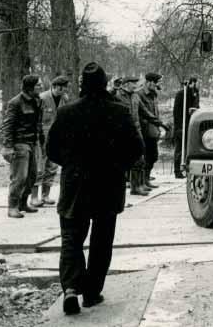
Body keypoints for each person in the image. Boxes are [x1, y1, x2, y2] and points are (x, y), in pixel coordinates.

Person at [46, 61, 143, 315]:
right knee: (102, 241)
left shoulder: (66, 112)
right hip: (108, 185)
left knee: (71, 238)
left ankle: (70, 289)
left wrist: (70, 165)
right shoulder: (119, 111)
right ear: (104, 84)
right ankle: (91, 292)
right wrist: (118, 167)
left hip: (74, 184)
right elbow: (136, 148)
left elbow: (51, 149)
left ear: (82, 85)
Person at [0, 75, 44, 218]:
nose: (41, 87)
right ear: (30, 88)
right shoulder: (15, 102)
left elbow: (38, 124)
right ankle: (12, 206)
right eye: (38, 85)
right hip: (19, 143)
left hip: (32, 142)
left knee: (31, 176)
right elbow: (8, 125)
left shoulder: (37, 101)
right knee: (20, 177)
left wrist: (40, 141)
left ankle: (23, 203)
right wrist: (8, 146)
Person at [31, 75, 70, 207]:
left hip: (57, 137)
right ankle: (34, 197)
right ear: (54, 87)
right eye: (61, 88)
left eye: (65, 88)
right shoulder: (41, 98)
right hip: (42, 137)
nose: (63, 91)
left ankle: (45, 195)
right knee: (39, 167)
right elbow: (36, 120)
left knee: (52, 166)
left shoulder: (65, 99)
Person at [113, 75, 148, 196]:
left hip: (136, 131)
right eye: (133, 83)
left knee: (139, 159)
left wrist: (159, 123)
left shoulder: (136, 96)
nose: (136, 85)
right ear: (126, 84)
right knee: (121, 161)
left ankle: (137, 186)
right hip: (121, 133)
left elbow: (145, 112)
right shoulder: (117, 96)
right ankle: (120, 188)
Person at [137, 72, 167, 188]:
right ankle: (142, 182)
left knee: (153, 156)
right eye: (156, 83)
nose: (158, 86)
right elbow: (142, 113)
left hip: (153, 129)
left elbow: (155, 112)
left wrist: (159, 126)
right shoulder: (139, 95)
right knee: (145, 157)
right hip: (144, 130)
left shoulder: (154, 95)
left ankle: (146, 179)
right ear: (149, 82)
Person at [172, 77, 200, 178]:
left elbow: (197, 106)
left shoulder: (195, 94)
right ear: (192, 83)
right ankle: (177, 171)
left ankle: (188, 168)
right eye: (197, 83)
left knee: (189, 148)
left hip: (190, 124)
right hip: (181, 125)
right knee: (179, 149)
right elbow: (176, 112)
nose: (199, 85)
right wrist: (179, 127)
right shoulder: (181, 94)